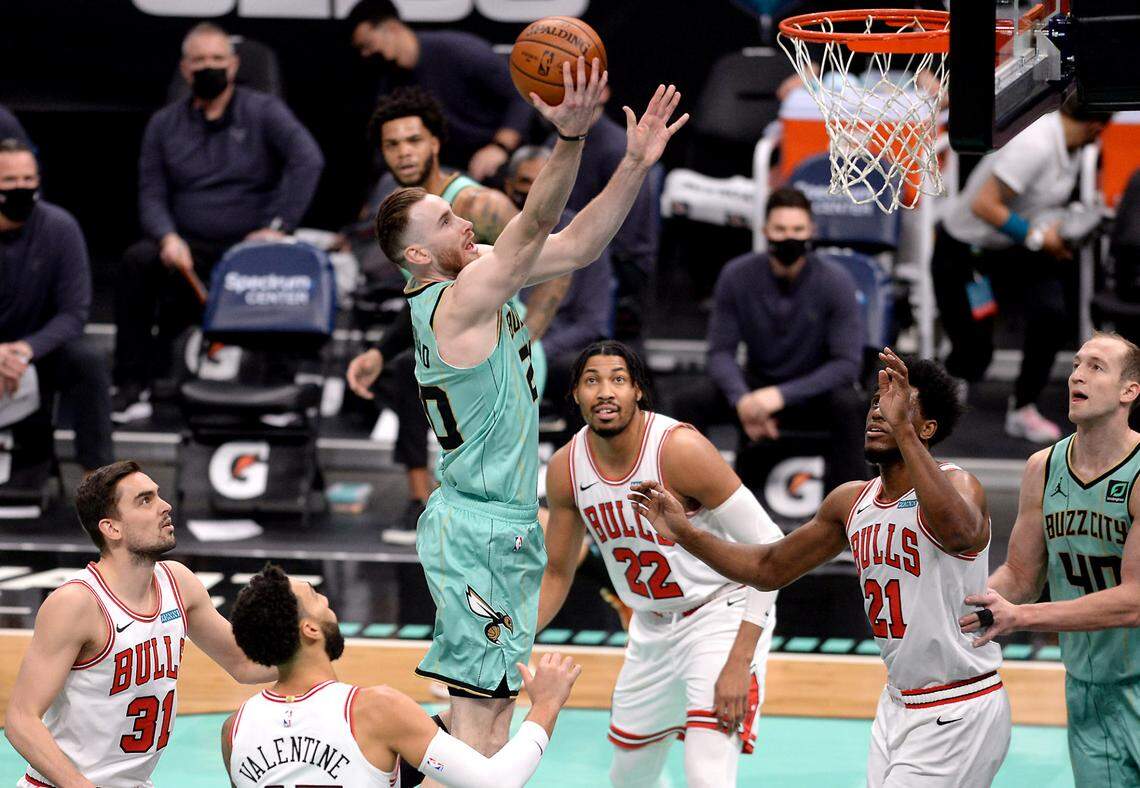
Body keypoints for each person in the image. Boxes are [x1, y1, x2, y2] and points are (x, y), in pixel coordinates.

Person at [373, 59, 686, 762]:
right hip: (478, 529)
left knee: (489, 705)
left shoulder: (476, 274)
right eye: (449, 218)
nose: (467, 221)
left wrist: (634, 163)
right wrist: (571, 140)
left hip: (503, 524)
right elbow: (540, 216)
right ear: (419, 252)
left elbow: (577, 244)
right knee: (479, 717)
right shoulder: (458, 299)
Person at [631, 350, 1010, 786]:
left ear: (925, 428)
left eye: (895, 407)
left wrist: (903, 431)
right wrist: (687, 534)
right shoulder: (851, 502)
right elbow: (769, 567)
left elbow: (959, 532)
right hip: (898, 703)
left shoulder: (960, 483)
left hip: (959, 702)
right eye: (875, 404)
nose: (878, 413)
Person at [538, 341, 781, 787]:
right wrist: (513, 640)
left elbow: (770, 548)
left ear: (638, 392)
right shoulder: (565, 468)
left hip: (719, 613)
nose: (605, 392)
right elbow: (557, 571)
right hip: (650, 629)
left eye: (617, 380)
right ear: (575, 394)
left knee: (707, 774)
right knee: (628, 777)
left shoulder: (679, 449)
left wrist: (738, 660)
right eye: (592, 381)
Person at [345, 87, 569, 542]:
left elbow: (551, 261)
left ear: (435, 143)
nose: (404, 152)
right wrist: (376, 351)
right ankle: (418, 500)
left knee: (497, 492)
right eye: (393, 144)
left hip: (500, 342)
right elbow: (422, 298)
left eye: (414, 140)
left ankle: (538, 542)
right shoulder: (402, 211)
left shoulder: (474, 205)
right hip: (454, 337)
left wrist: (529, 331)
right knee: (407, 378)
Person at [5, 460, 276, 788]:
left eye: (158, 496)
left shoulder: (178, 582)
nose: (165, 506)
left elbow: (244, 662)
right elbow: (20, 719)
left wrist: (322, 651)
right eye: (145, 500)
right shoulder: (77, 603)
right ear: (111, 528)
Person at [113, 22, 324, 422]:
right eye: (199, 60)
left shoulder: (263, 111)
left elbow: (308, 159)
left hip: (249, 246)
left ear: (233, 65)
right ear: (185, 69)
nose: (208, 67)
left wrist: (278, 227)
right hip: (186, 247)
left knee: (279, 258)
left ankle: (273, 390)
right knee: (136, 263)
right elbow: (151, 192)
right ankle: (131, 386)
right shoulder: (164, 124)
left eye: (216, 59)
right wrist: (166, 236)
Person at [959, 331, 1140, 786]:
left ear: (1128, 391)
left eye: (1096, 367)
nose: (1077, 375)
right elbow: (1020, 574)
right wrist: (956, 607)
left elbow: (1134, 601)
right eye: (1077, 364)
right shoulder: (1043, 467)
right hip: (1089, 690)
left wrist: (1021, 616)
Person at [223, 564, 581, 787]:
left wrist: (464, 716)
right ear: (310, 630)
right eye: (316, 597)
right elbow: (497, 783)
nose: (327, 600)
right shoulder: (376, 709)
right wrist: (546, 706)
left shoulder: (235, 729)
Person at [933, 94, 1114, 443]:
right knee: (974, 353)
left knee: (1051, 315)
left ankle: (1024, 407)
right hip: (965, 250)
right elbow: (984, 204)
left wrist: (1061, 231)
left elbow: (1039, 203)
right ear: (1096, 127)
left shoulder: (1074, 147)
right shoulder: (1036, 145)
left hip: (1009, 248)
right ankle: (947, 394)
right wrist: (1038, 239)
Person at [673, 187, 866, 495]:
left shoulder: (836, 281)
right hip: (754, 387)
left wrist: (779, 396)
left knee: (850, 404)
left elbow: (846, 366)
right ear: (765, 231)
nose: (788, 237)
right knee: (690, 401)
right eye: (780, 229)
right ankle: (693, 503)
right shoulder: (736, 275)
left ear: (811, 231)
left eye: (797, 229)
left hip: (812, 392)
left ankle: (850, 512)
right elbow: (720, 353)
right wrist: (743, 400)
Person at [0, 138, 113, 474]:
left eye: (27, 180)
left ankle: (99, 479)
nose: (20, 188)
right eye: (9, 181)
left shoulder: (60, 228)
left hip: (37, 352)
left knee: (88, 360)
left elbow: (74, 313)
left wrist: (24, 350)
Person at [346, 0, 532, 180]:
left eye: (368, 45)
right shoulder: (389, 83)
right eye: (361, 49)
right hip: (445, 169)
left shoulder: (460, 51)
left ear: (392, 28)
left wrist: (499, 147)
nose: (365, 54)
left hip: (499, 156)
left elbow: (520, 96)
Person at [542, 88, 658, 343]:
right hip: (567, 244)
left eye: (581, 83)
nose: (571, 92)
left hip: (618, 257)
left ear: (603, 92)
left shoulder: (619, 148)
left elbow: (622, 233)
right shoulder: (554, 144)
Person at [510, 147, 615, 424]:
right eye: (524, 182)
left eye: (543, 181)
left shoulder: (585, 239)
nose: (534, 191)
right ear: (508, 186)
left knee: (585, 373)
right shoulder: (493, 231)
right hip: (493, 349)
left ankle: (572, 463)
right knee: (410, 365)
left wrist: (536, 353)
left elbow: (592, 323)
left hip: (555, 351)